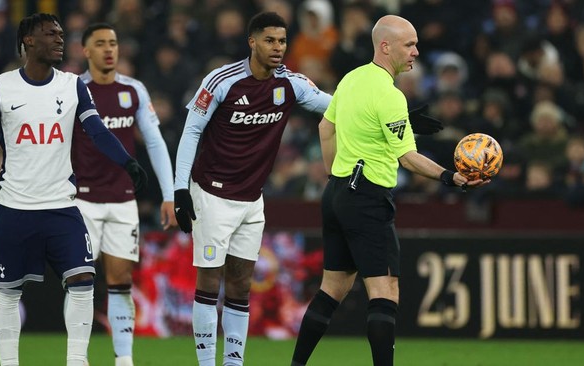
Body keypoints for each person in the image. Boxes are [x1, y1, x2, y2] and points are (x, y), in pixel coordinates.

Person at [173, 12, 443, 366]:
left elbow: (343, 108)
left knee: (240, 285)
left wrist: (403, 117)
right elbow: (192, 130)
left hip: (252, 200)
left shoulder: (292, 84)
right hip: (211, 193)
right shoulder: (222, 81)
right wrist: (179, 190)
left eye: (283, 41)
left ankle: (233, 363)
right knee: (209, 282)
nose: (278, 48)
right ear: (252, 42)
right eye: (270, 40)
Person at [0, 13, 147, 366]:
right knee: (8, 293)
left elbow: (97, 131)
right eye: (49, 34)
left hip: (62, 207)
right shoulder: (0, 87)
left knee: (84, 280)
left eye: (60, 33)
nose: (58, 39)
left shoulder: (72, 86)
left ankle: (76, 361)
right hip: (14, 207)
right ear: (28, 41)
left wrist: (127, 162)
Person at [289, 15, 487, 366]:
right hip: (367, 198)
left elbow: (325, 127)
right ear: (385, 46)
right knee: (385, 292)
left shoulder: (352, 79)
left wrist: (338, 174)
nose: (416, 51)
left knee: (332, 289)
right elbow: (407, 158)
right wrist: (449, 177)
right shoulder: (389, 93)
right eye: (409, 44)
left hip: (336, 194)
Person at [73, 23, 177, 366]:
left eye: (113, 43)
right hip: (82, 200)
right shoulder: (73, 90)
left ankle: (124, 360)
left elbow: (155, 141)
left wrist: (169, 193)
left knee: (120, 279)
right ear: (85, 51)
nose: (109, 49)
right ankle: (77, 358)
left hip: (122, 200)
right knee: (81, 280)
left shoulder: (133, 90)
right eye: (100, 43)